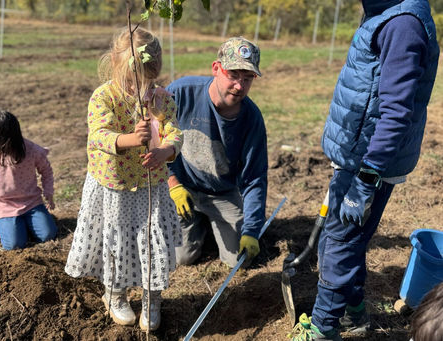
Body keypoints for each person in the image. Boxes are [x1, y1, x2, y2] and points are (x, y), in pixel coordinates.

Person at [290, 0, 439, 340]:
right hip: (356, 156)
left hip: (366, 164)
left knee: (338, 243)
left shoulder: (402, 24)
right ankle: (352, 313)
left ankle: (323, 328)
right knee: (346, 238)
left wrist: (366, 179)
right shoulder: (384, 13)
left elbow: (397, 111)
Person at [64, 27, 183, 331]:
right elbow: (99, 136)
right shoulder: (103, 97)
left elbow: (174, 132)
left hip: (150, 186)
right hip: (114, 186)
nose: (139, 89)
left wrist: (165, 151)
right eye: (132, 82)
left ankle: (152, 297)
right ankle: (115, 294)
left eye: (147, 81)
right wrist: (131, 138)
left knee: (150, 243)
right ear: (116, 67)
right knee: (117, 243)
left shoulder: (161, 99)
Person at [165, 37, 268, 268]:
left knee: (239, 260)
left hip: (223, 193)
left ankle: (217, 221)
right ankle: (200, 222)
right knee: (183, 259)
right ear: (216, 68)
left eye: (247, 78)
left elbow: (255, 178)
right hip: (184, 189)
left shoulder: (251, 119)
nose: (239, 86)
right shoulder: (180, 94)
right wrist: (173, 183)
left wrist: (251, 230)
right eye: (233, 75)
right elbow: (155, 142)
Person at [0, 110, 57, 251]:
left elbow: (46, 170)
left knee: (48, 235)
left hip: (31, 201)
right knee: (14, 245)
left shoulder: (30, 149)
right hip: (3, 204)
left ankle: (27, 223)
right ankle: (6, 228)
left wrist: (48, 191)